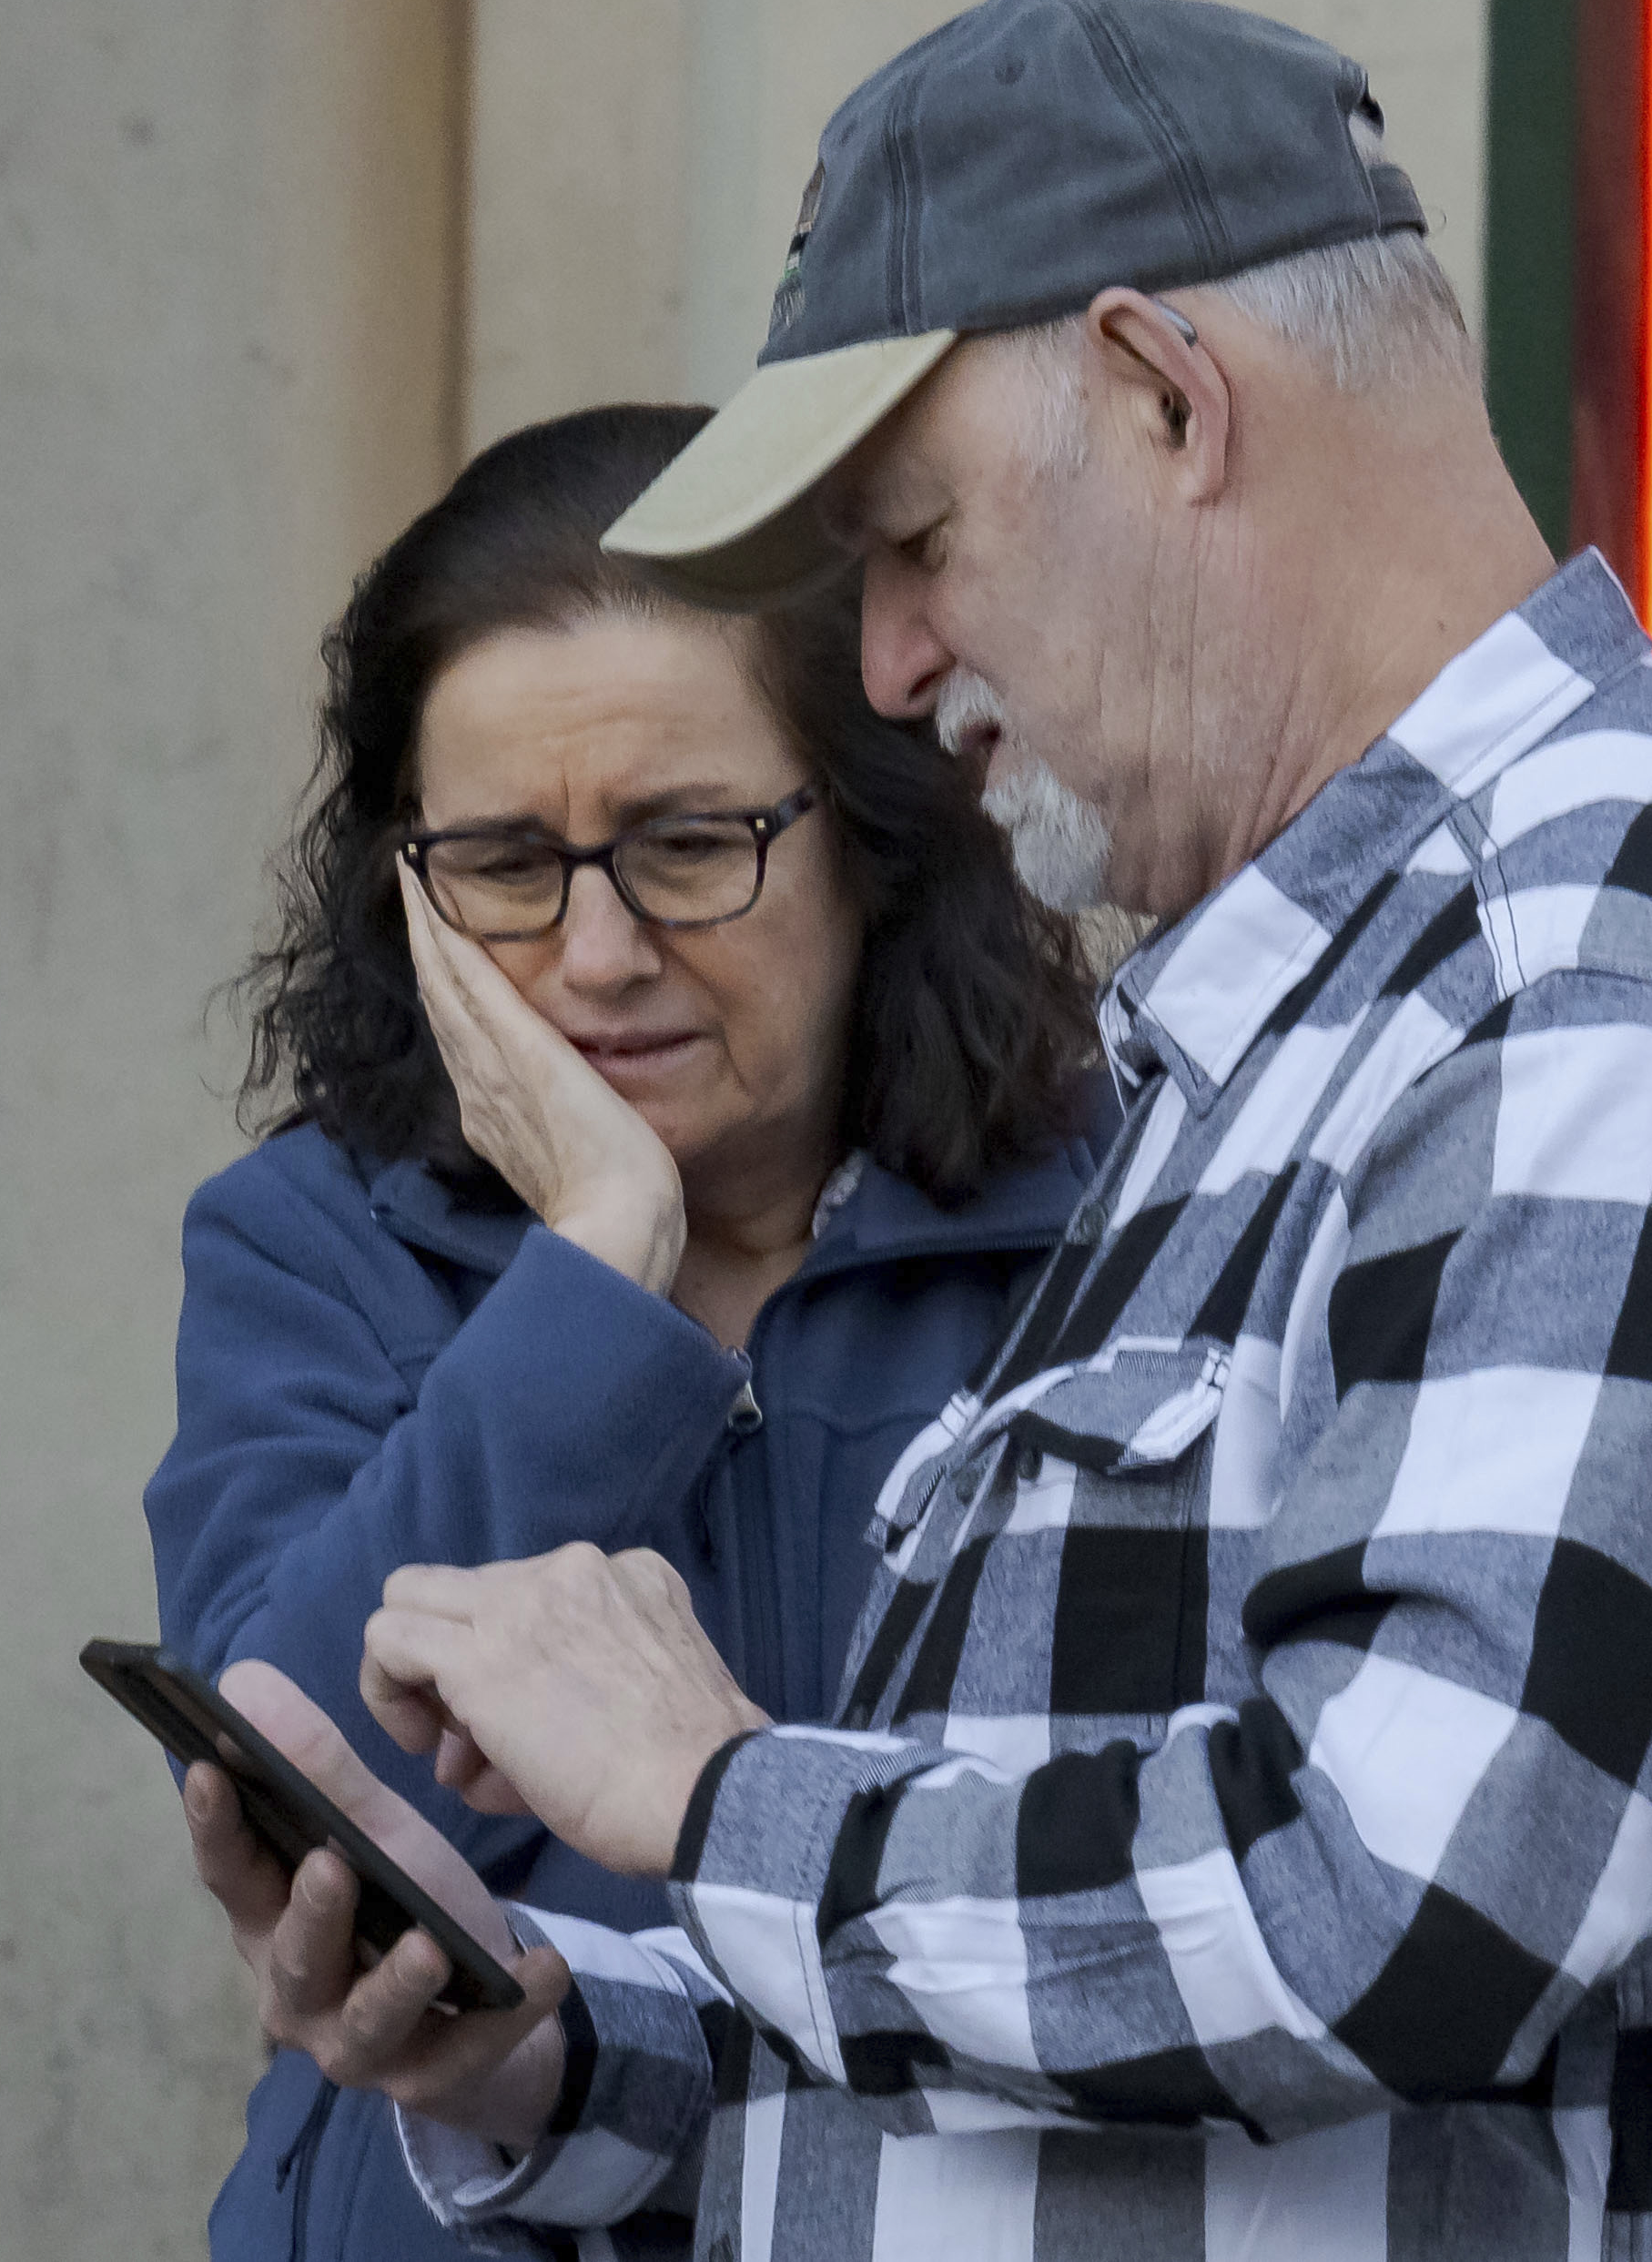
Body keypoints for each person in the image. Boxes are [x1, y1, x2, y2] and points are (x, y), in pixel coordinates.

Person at [171, 0, 1652, 2259]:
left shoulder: (1589, 981)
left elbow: (1410, 1905)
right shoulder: (1367, 988)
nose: (885, 664)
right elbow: (1096, 2017)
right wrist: (561, 2056)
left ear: (1168, 400)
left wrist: (720, 1792)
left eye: (918, 538)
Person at [147, 402, 1105, 2262]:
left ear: (878, 838)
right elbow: (287, 1786)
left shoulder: (1114, 1230)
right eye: (501, 865)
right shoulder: (314, 1248)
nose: (594, 958)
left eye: (684, 844)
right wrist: (598, 1263)